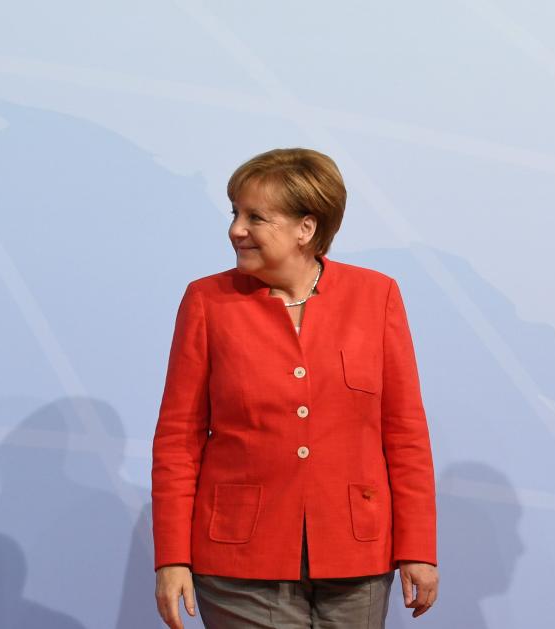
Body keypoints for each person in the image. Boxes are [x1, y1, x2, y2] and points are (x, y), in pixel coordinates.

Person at [151, 148, 439, 628]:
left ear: (307, 228)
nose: (236, 229)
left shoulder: (377, 296)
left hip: (357, 555)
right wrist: (172, 557)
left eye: (256, 217)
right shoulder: (207, 302)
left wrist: (418, 547)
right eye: (235, 213)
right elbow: (178, 441)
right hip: (239, 560)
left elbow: (405, 433)